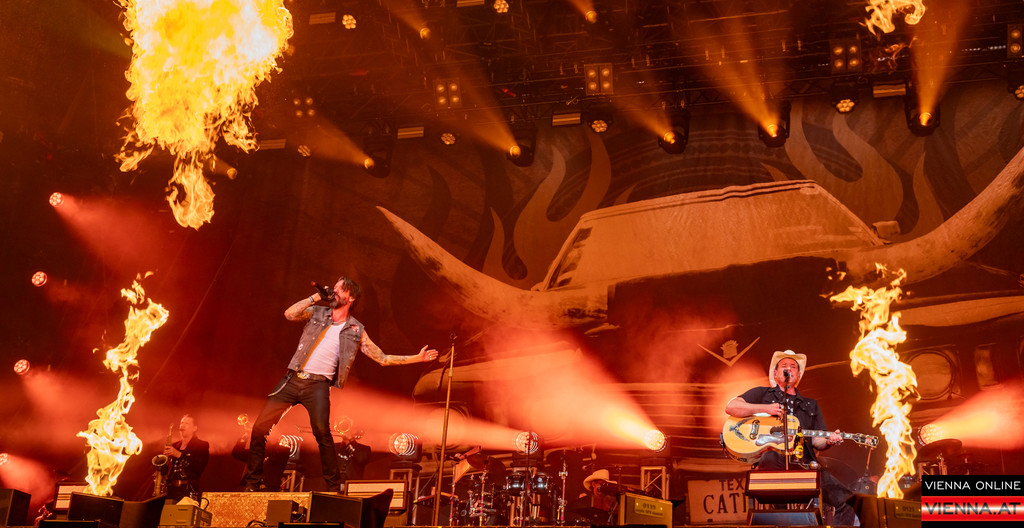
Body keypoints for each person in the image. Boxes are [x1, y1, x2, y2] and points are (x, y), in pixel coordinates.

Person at [241, 276, 438, 492]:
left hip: (317, 386)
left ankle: (333, 487)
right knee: (260, 427)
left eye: (339, 288)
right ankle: (252, 482)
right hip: (293, 379)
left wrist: (417, 358)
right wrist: (316, 297)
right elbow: (289, 314)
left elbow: (382, 358)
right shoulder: (317, 312)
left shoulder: (356, 329)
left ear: (351, 297)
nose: (333, 290)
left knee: (322, 435)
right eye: (333, 287)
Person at [724, 350, 856, 525]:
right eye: (784, 366)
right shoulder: (762, 394)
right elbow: (731, 407)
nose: (789, 369)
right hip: (773, 460)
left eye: (793, 366)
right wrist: (765, 408)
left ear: (798, 374)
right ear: (775, 373)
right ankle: (783, 518)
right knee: (770, 458)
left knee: (848, 502)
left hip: (805, 463)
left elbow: (817, 441)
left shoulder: (811, 405)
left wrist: (829, 440)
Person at [164, 414, 210, 502]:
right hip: (170, 491)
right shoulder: (174, 445)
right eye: (181, 423)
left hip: (188, 490)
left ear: (194, 428)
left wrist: (179, 455)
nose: (182, 425)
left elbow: (198, 467)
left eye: (186, 423)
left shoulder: (202, 445)